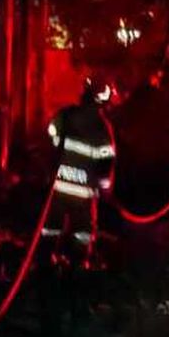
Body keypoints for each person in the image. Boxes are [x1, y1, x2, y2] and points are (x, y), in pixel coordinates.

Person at [42, 78, 117, 265]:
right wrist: (105, 187)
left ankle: (46, 262)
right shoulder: (102, 127)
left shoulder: (66, 114)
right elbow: (106, 161)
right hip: (83, 193)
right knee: (82, 232)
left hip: (58, 186)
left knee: (51, 226)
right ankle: (79, 265)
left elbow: (51, 133)